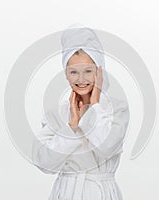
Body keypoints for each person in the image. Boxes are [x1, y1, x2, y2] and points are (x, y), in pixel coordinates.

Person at [32, 24, 130, 200]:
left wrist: (94, 108)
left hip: (102, 193)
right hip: (66, 193)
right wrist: (71, 128)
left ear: (99, 71)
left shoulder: (116, 108)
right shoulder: (58, 112)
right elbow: (43, 162)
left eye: (88, 71)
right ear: (66, 74)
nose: (81, 79)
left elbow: (106, 147)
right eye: (74, 72)